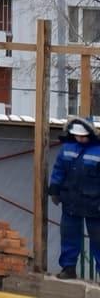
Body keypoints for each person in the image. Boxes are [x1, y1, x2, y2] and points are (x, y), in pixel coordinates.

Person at [49, 118, 100, 279]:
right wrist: (55, 190)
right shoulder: (67, 148)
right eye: (77, 136)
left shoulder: (98, 150)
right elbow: (59, 170)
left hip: (95, 204)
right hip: (71, 201)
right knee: (69, 236)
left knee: (98, 240)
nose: (80, 138)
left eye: (83, 136)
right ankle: (68, 268)